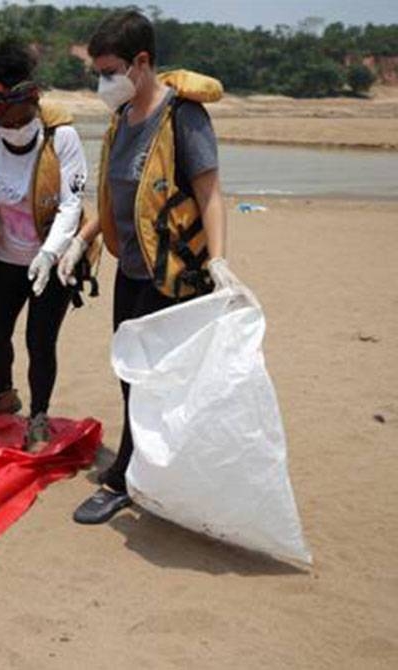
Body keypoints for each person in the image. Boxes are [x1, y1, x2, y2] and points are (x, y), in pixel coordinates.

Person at [67, 10, 252, 524]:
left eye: (110, 72)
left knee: (153, 382)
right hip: (131, 271)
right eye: (99, 73)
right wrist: (81, 242)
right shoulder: (119, 120)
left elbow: (210, 194)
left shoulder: (181, 118)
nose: (103, 83)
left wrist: (218, 263)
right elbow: (118, 201)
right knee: (130, 376)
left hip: (174, 276)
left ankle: (124, 475)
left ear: (141, 63)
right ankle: (151, 468)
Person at [0, 39, 95, 451]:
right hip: (6, 259)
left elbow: (72, 201)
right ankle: (3, 393)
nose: (7, 123)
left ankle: (40, 415)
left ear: (31, 101)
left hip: (55, 259)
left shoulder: (61, 138)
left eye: (12, 113)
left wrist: (50, 254)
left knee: (39, 341)